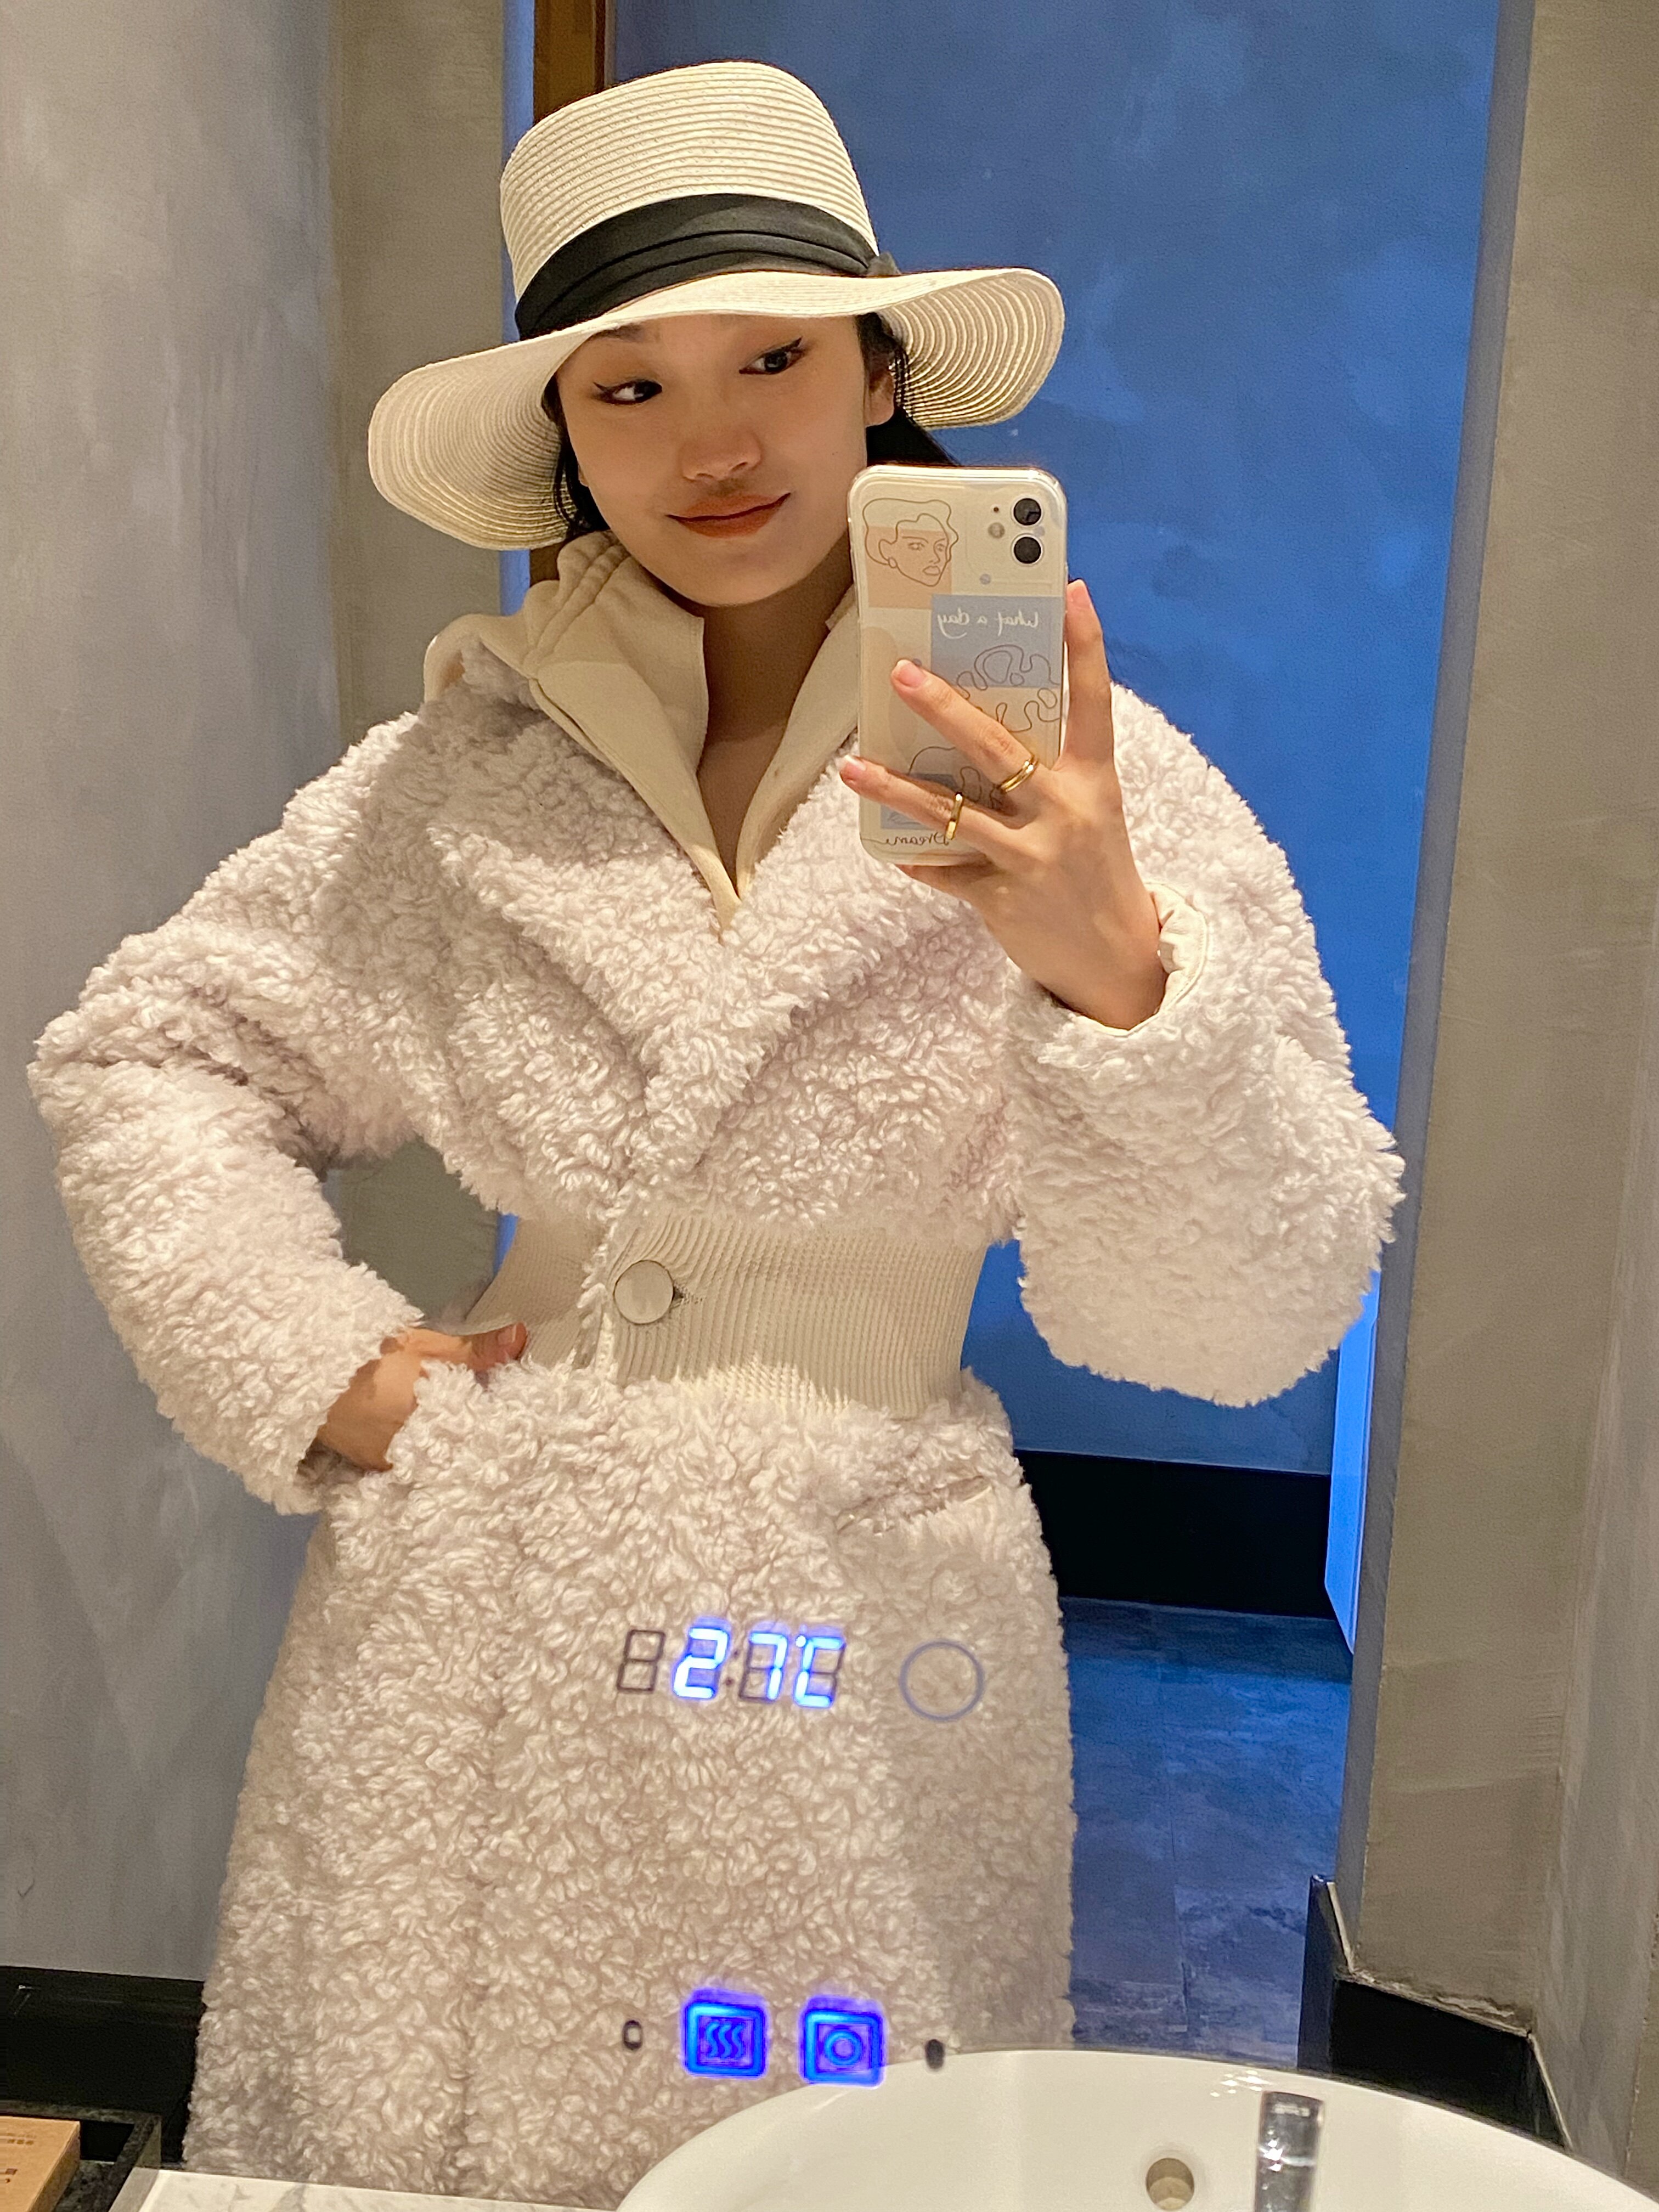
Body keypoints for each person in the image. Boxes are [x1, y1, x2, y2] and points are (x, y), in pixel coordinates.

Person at [29, 59, 1403, 2211]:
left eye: (774, 358)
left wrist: (1118, 980)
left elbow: (1239, 1321)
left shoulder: (1094, 783)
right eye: (632, 388)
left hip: (853, 1647)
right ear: (565, 441)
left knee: (830, 2160)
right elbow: (151, 1049)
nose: (717, 443)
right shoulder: (459, 780)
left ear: (879, 377)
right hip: (470, 1640)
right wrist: (324, 1369)